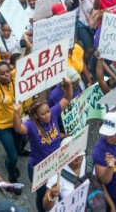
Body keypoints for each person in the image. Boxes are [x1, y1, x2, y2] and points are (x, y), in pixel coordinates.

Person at [13, 77, 73, 210]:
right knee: (42, 196)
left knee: (56, 191)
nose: (47, 115)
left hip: (56, 164)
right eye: (43, 114)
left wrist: (68, 84)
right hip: (38, 169)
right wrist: (16, 113)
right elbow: (18, 128)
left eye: (48, 111)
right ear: (35, 116)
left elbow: (67, 98)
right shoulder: (30, 125)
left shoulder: (53, 113)